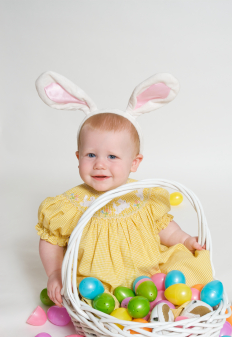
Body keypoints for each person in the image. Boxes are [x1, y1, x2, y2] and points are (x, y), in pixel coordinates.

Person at [35, 71, 214, 307]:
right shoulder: (71, 204)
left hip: (150, 274)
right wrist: (55, 273)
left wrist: (185, 239)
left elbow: (164, 229)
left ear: (134, 163)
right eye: (91, 155)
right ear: (78, 158)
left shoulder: (142, 196)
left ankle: (169, 309)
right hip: (98, 282)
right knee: (87, 299)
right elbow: (52, 242)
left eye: (112, 156)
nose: (100, 164)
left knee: (185, 265)